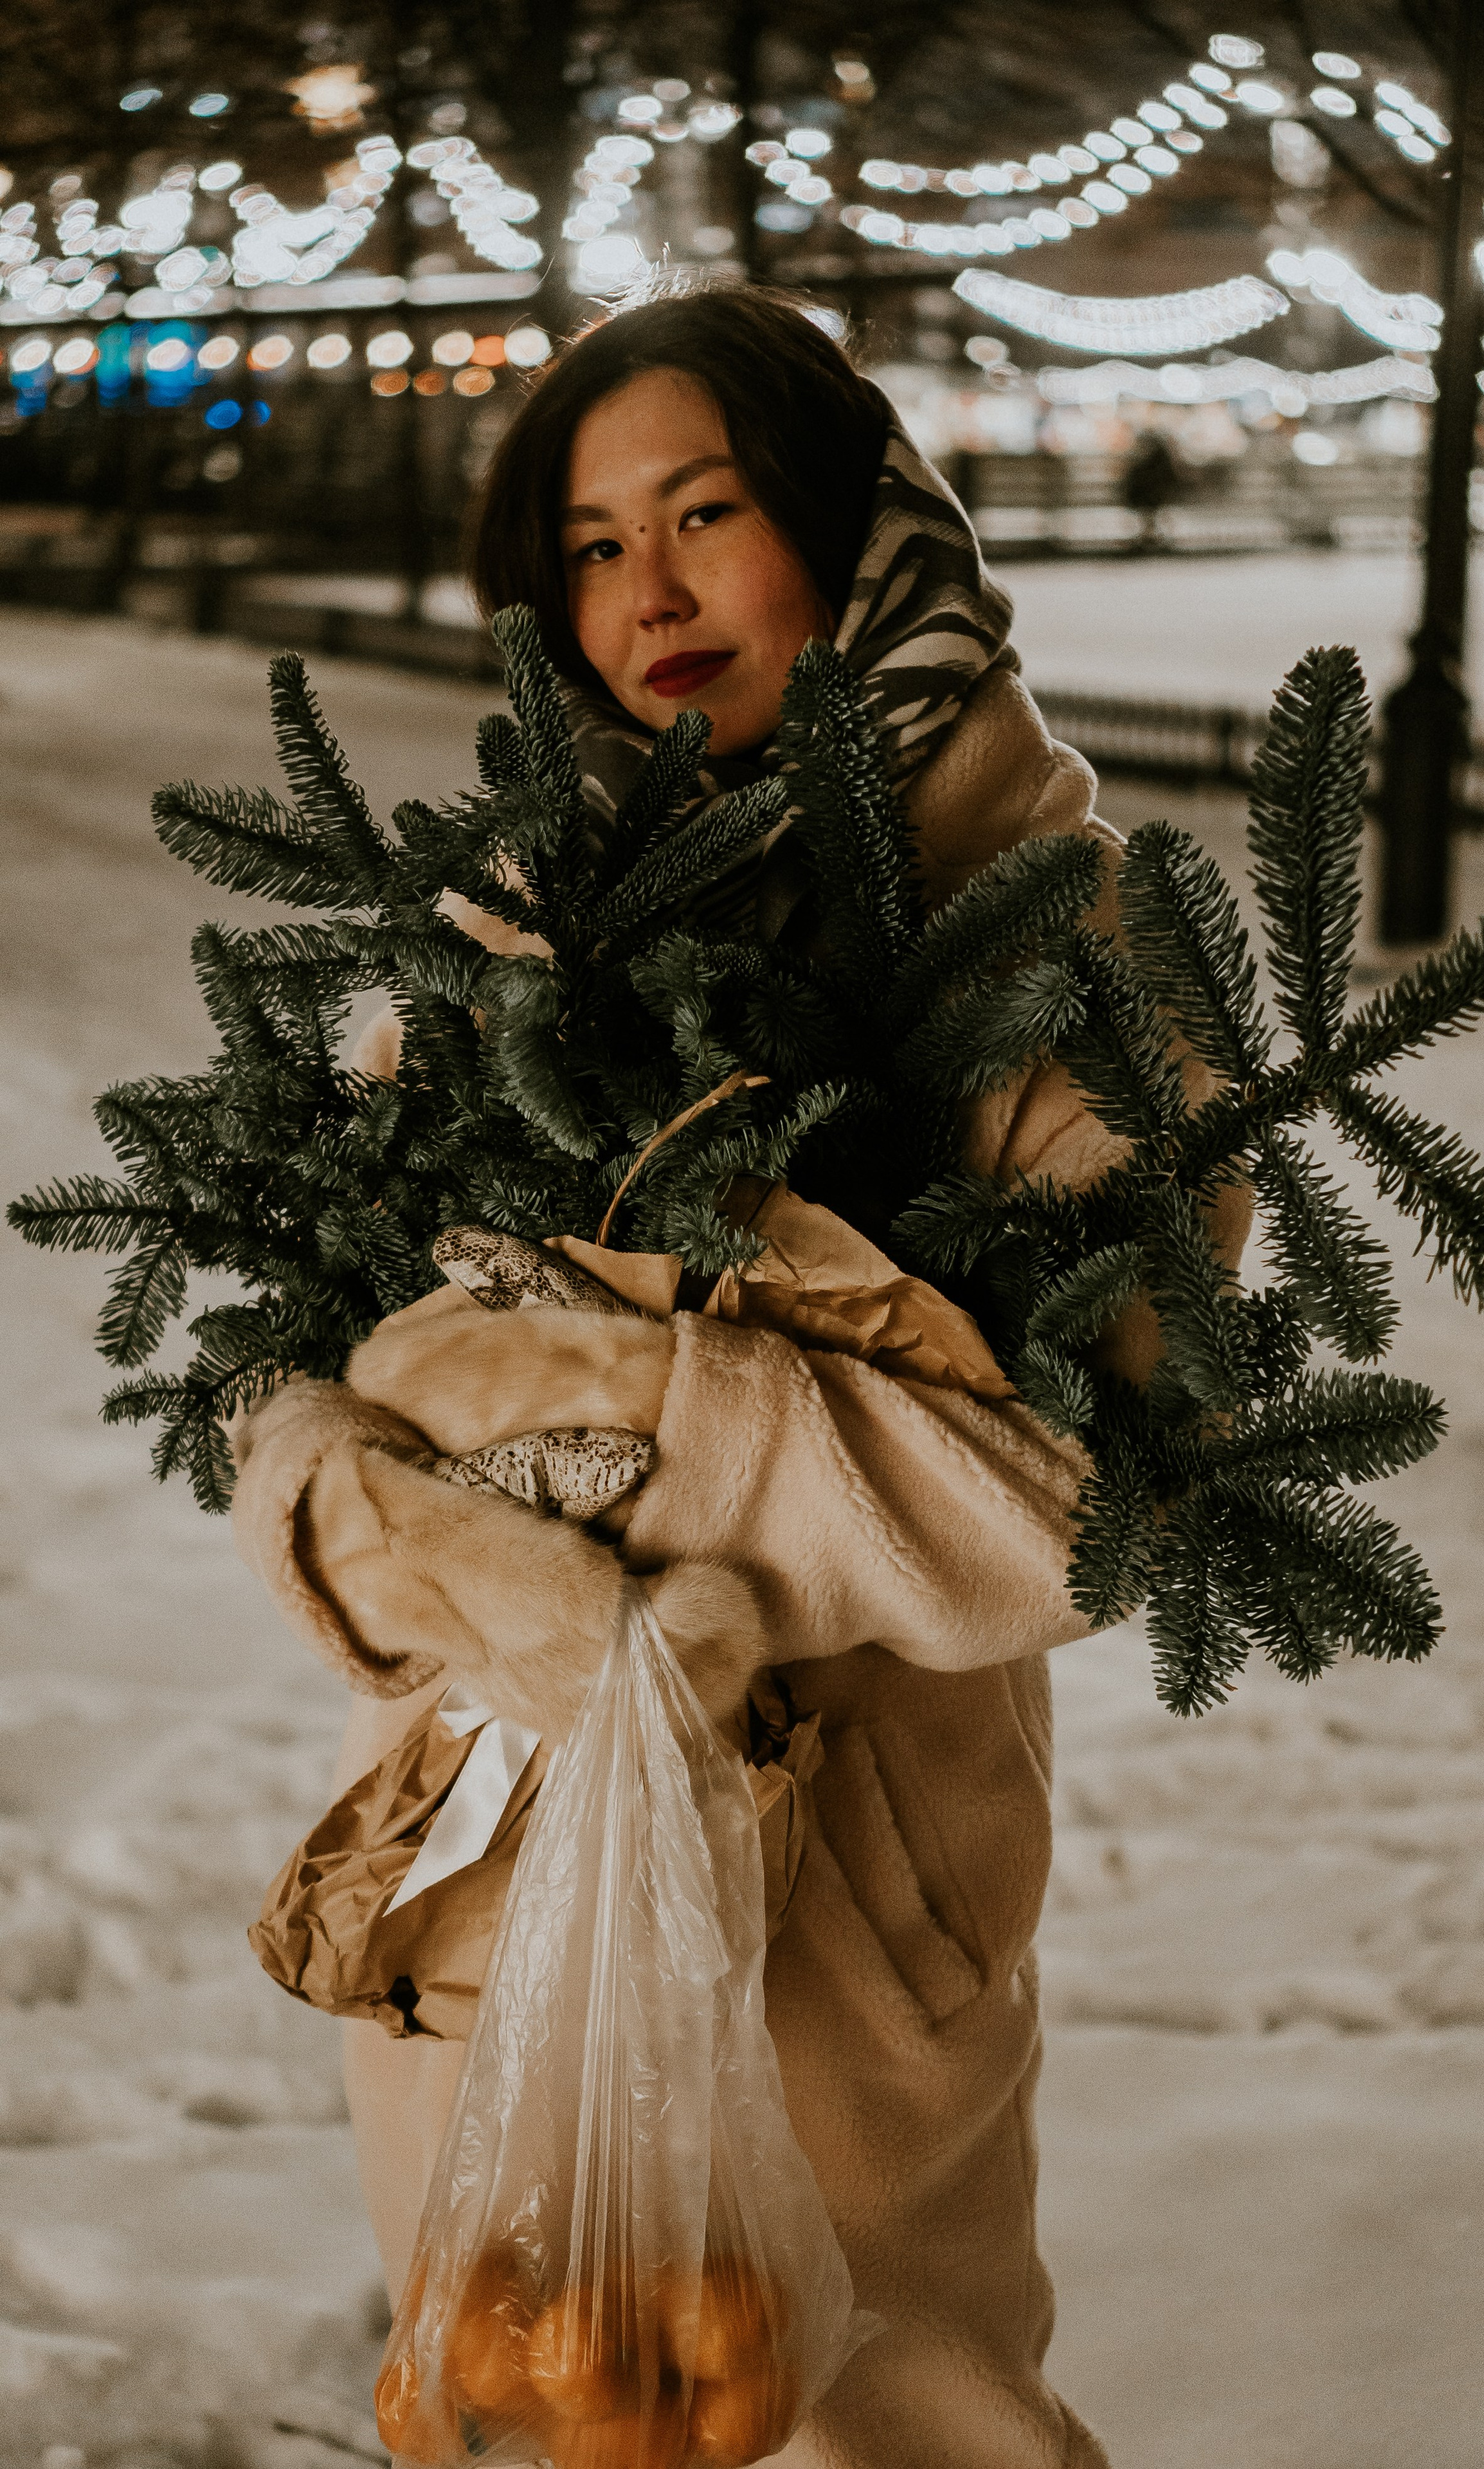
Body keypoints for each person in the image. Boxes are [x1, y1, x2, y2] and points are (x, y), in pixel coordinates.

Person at [231, 284, 1247, 2469]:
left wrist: (614, 1423)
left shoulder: (1061, 949)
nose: (647, 593)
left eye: (704, 512)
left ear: (861, 529)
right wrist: (361, 1497)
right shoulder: (506, 935)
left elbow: (1075, 1495)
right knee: (505, 2417)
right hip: (483, 1884)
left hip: (838, 1923)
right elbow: (335, 1352)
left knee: (888, 2429)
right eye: (590, 545)